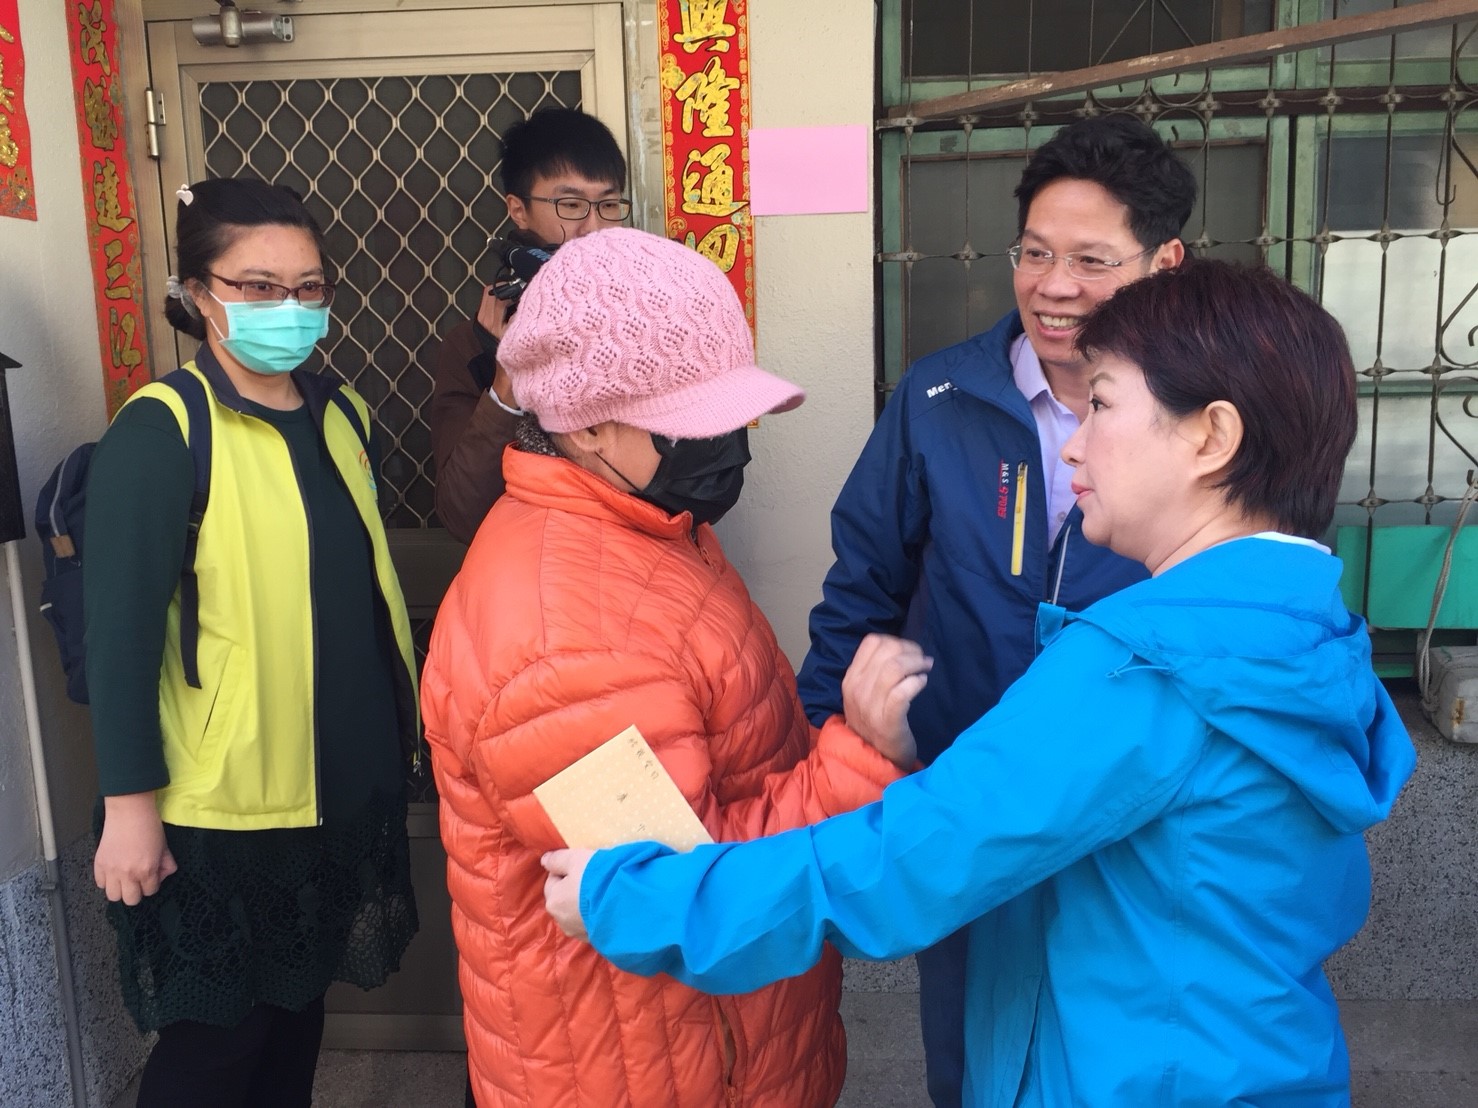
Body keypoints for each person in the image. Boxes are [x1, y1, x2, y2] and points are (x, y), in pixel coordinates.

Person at [544, 259, 1419, 1106]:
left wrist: (638, 898)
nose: (1073, 443)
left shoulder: (1147, 668)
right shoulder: (1303, 627)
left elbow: (904, 863)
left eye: (1102, 403)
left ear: (1211, 438)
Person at [420, 227, 923, 1108]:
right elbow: (681, 893)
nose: (728, 444)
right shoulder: (561, 642)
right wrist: (861, 758)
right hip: (653, 1066)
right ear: (584, 424)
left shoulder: (645, 532)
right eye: (695, 421)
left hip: (712, 1045)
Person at [792, 113, 1199, 1107]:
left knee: (1110, 1060)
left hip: (1127, 823)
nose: (1053, 286)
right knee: (970, 1060)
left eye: (1091, 260)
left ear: (1165, 262)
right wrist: (818, 751)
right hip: (962, 808)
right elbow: (862, 585)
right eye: (1034, 253)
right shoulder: (937, 397)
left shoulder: (1204, 421)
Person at [86, 178, 420, 1108]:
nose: (291, 307)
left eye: (309, 287)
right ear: (200, 293)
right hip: (221, 807)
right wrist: (129, 808)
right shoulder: (164, 430)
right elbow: (119, 639)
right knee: (214, 1046)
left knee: (294, 1024)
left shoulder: (342, 414)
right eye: (260, 287)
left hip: (332, 788)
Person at [430, 106, 630, 544]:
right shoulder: (473, 346)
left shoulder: (650, 318)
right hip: (534, 571)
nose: (593, 227)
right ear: (518, 210)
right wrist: (507, 380)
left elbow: (710, 486)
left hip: (640, 566)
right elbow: (463, 515)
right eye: (571, 205)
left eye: (609, 204)